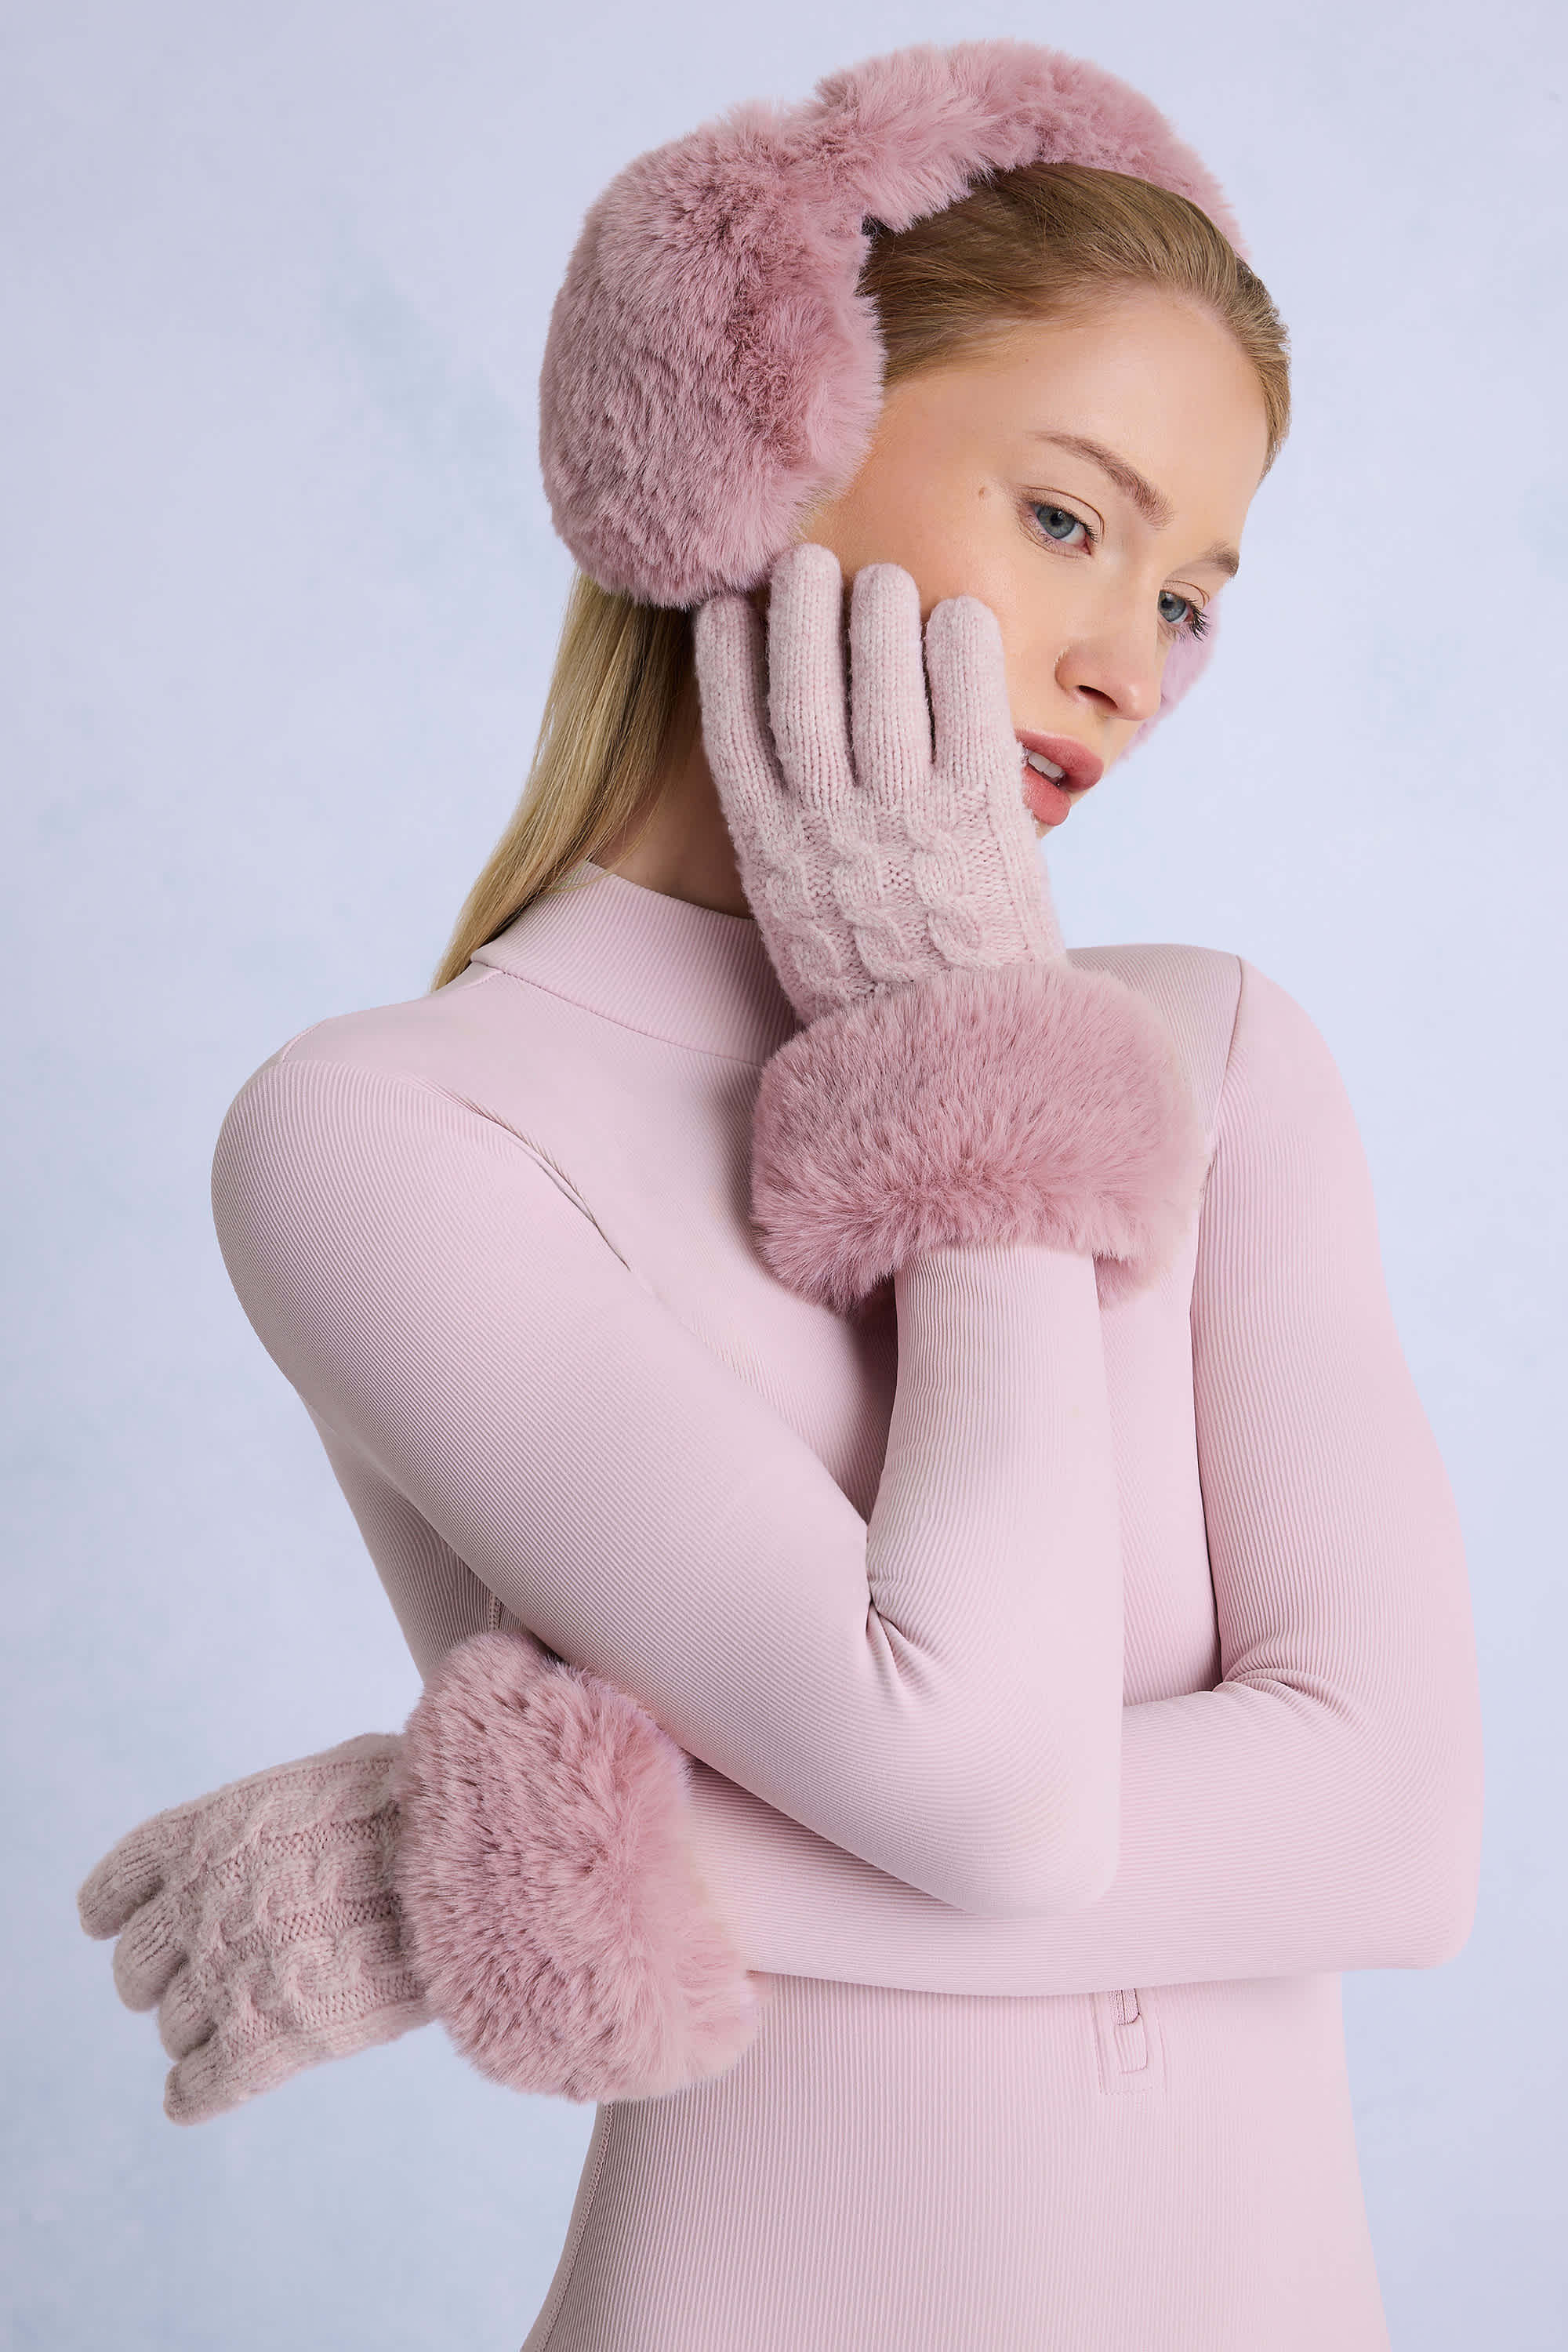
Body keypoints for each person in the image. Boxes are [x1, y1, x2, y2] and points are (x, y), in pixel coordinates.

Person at [77, 40, 1484, 2351]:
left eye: (1192, 595)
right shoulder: (388, 1135)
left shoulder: (1220, 1059)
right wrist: (958, 1050)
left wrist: (477, 1873)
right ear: (744, 448)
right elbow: (996, 1794)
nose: (1128, 668)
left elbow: (1395, 1836)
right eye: (1071, 520)